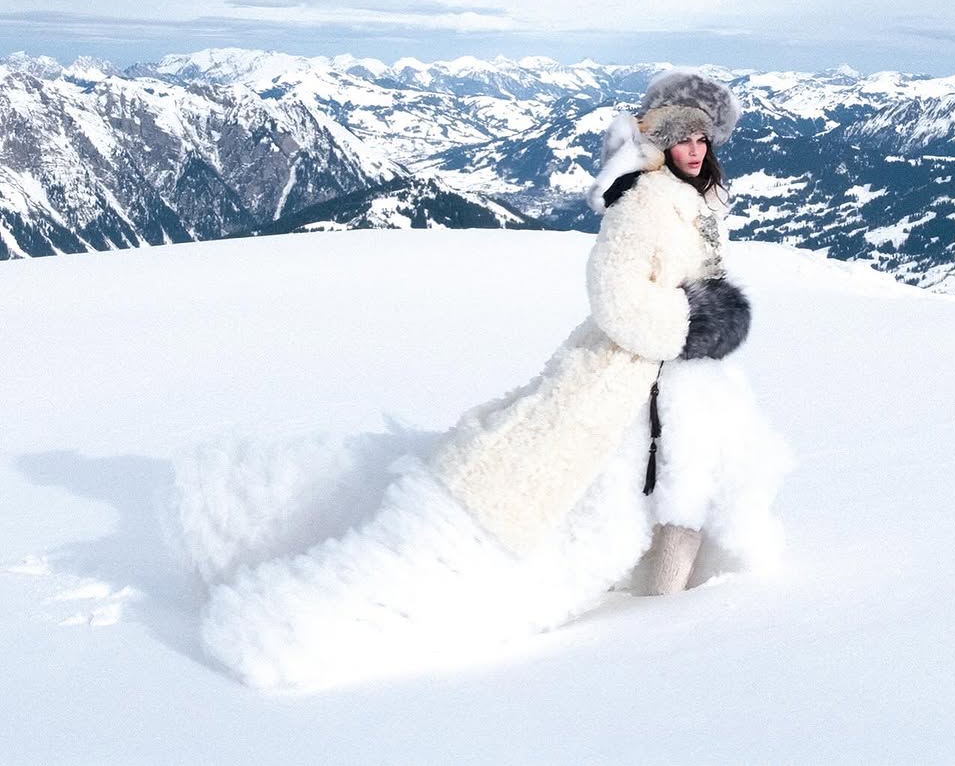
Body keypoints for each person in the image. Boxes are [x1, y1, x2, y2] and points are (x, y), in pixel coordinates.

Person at [180, 69, 790, 691]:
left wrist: (703, 326)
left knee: (688, 489)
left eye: (704, 138)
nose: (695, 148)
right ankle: (657, 627)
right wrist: (691, 323)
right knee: (588, 486)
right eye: (682, 135)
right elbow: (614, 295)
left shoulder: (702, 199)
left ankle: (671, 613)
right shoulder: (644, 201)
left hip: (687, 378)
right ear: (658, 139)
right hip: (632, 372)